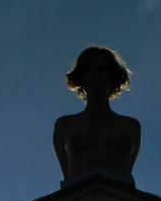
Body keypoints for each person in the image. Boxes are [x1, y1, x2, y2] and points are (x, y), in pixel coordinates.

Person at [53, 46, 141, 188]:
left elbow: (127, 173)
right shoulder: (65, 125)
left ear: (112, 77)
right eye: (89, 70)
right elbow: (67, 176)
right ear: (80, 78)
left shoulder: (131, 126)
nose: (95, 76)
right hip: (78, 200)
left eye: (102, 70)